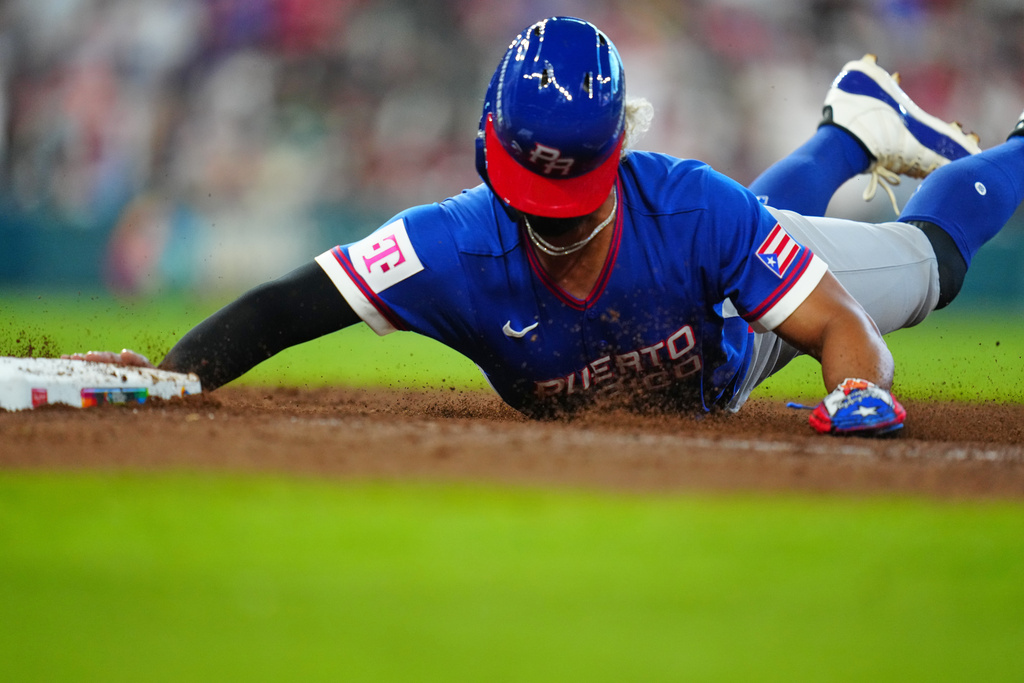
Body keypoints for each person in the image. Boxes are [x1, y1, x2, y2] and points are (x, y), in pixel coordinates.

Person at [67, 16, 1024, 436]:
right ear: (490, 161)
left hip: (748, 348)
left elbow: (838, 327)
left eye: (574, 202)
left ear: (620, 156)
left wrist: (859, 388)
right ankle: (850, 126)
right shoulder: (448, 244)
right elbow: (291, 304)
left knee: (930, 266)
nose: (555, 229)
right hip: (720, 264)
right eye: (535, 201)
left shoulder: (688, 200)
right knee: (750, 226)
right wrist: (176, 374)